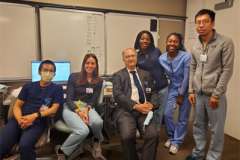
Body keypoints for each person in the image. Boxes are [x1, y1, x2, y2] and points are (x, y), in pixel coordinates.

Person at [186, 9, 234, 160]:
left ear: (212, 23)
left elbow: (227, 70)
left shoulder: (225, 42)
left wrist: (216, 94)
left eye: (204, 22)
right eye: (198, 22)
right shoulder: (196, 45)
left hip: (215, 96)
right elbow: (192, 67)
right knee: (198, 126)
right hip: (198, 95)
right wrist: (191, 90)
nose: (201, 25)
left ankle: (213, 157)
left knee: (216, 129)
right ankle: (198, 154)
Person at [0, 60, 64, 160]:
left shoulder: (57, 89)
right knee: (2, 143)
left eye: (51, 71)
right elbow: (17, 106)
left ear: (54, 74)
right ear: (39, 72)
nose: (48, 73)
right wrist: (20, 119)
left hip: (38, 121)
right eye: (45, 70)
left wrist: (34, 116)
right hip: (19, 119)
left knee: (25, 146)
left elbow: (54, 109)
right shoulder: (28, 86)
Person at [56, 54, 106, 160]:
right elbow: (68, 99)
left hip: (87, 106)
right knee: (83, 131)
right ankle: (62, 150)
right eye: (87, 63)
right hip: (71, 106)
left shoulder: (99, 81)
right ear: (84, 64)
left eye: (93, 63)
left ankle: (96, 140)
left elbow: (93, 100)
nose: (90, 65)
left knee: (98, 122)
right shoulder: (74, 77)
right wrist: (79, 111)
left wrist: (86, 110)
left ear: (96, 65)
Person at [113, 48, 159, 160]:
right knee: (127, 136)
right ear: (123, 59)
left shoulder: (146, 74)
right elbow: (118, 95)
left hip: (144, 110)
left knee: (153, 135)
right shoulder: (118, 75)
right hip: (126, 111)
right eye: (127, 56)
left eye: (132, 56)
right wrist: (136, 106)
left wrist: (151, 105)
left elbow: (154, 92)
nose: (130, 58)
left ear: (136, 57)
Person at [159, 33, 191, 154]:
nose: (172, 44)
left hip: (186, 89)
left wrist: (181, 94)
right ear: (166, 42)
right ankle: (172, 137)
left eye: (175, 41)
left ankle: (177, 142)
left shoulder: (186, 56)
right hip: (172, 88)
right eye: (170, 41)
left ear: (179, 43)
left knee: (183, 117)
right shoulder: (161, 58)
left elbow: (187, 77)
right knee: (167, 114)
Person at [134, 30, 168, 129]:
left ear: (151, 41)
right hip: (148, 90)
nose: (145, 41)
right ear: (138, 40)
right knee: (148, 112)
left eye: (147, 39)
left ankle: (155, 134)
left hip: (162, 87)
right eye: (142, 39)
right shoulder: (136, 55)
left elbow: (164, 65)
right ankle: (146, 133)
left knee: (160, 113)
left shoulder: (156, 51)